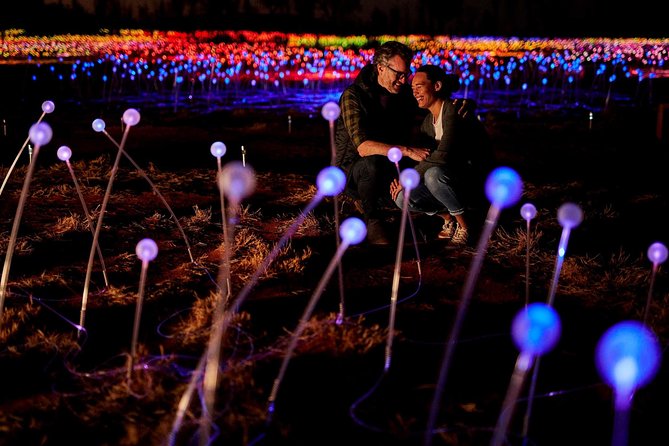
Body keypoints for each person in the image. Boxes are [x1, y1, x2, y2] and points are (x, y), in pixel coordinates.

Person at [334, 41, 430, 245]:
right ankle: (372, 219)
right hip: (353, 170)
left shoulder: (402, 95)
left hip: (390, 166)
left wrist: (451, 105)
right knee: (372, 163)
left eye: (407, 74)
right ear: (380, 68)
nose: (404, 80)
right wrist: (407, 151)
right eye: (399, 74)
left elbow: (428, 105)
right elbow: (363, 147)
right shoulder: (353, 96)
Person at [390, 64, 494, 246]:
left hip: (471, 181)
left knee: (433, 174)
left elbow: (443, 156)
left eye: (419, 87)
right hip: (445, 182)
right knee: (402, 196)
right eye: (412, 88)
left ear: (437, 86)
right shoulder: (427, 123)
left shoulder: (454, 112)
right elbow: (426, 158)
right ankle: (449, 218)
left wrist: (410, 176)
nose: (415, 92)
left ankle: (467, 227)